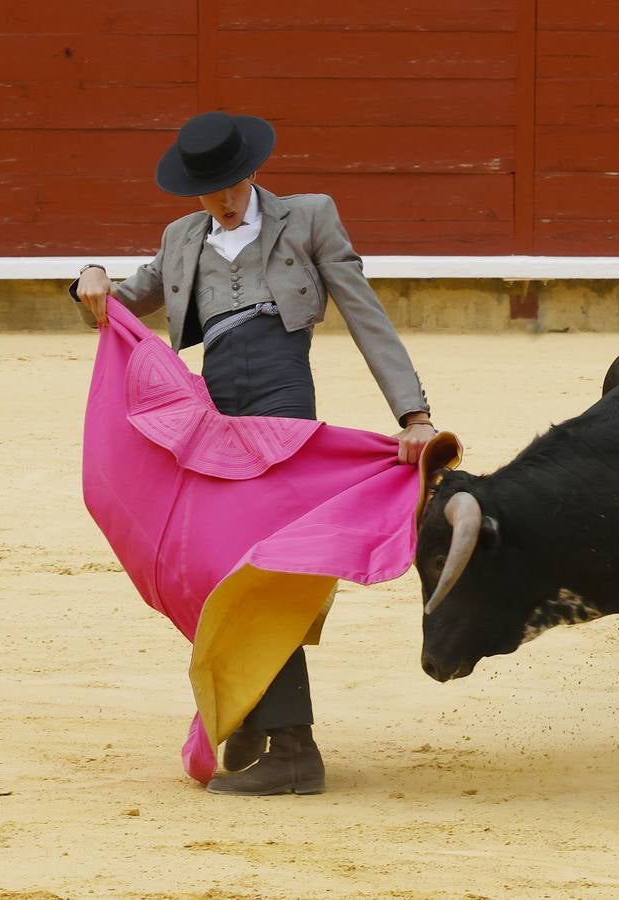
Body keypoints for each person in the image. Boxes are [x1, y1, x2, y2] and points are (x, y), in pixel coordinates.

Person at [69, 111, 436, 796]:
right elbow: (115, 307)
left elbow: (363, 311)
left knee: (264, 570)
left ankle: (293, 748)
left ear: (252, 171)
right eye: (211, 191)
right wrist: (87, 275)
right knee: (217, 569)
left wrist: (412, 414)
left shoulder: (309, 217)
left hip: (280, 405)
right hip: (212, 414)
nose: (226, 199)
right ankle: (252, 719)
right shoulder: (181, 238)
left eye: (233, 184)